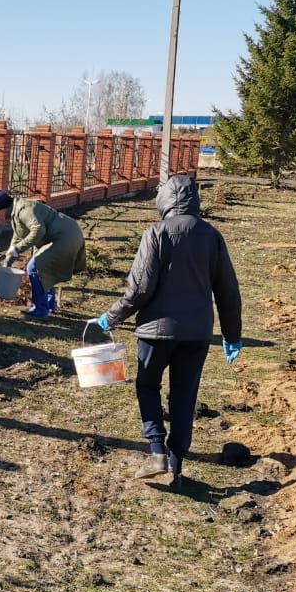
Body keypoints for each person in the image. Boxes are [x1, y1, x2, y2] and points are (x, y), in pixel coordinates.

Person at [91, 173, 242, 488]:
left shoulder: (156, 233)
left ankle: (157, 450)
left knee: (148, 386)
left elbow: (140, 290)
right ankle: (176, 465)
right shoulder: (212, 236)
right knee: (184, 396)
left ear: (165, 200)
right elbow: (228, 291)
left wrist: (110, 317)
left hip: (155, 334)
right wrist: (232, 335)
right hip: (197, 334)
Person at [0, 189, 86, 319]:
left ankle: (40, 309)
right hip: (65, 234)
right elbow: (18, 235)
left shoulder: (24, 210)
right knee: (44, 268)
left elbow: (39, 230)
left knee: (35, 267)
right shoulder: (16, 210)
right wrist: (9, 258)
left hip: (65, 237)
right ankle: (49, 305)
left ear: (1, 208)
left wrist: (18, 249)